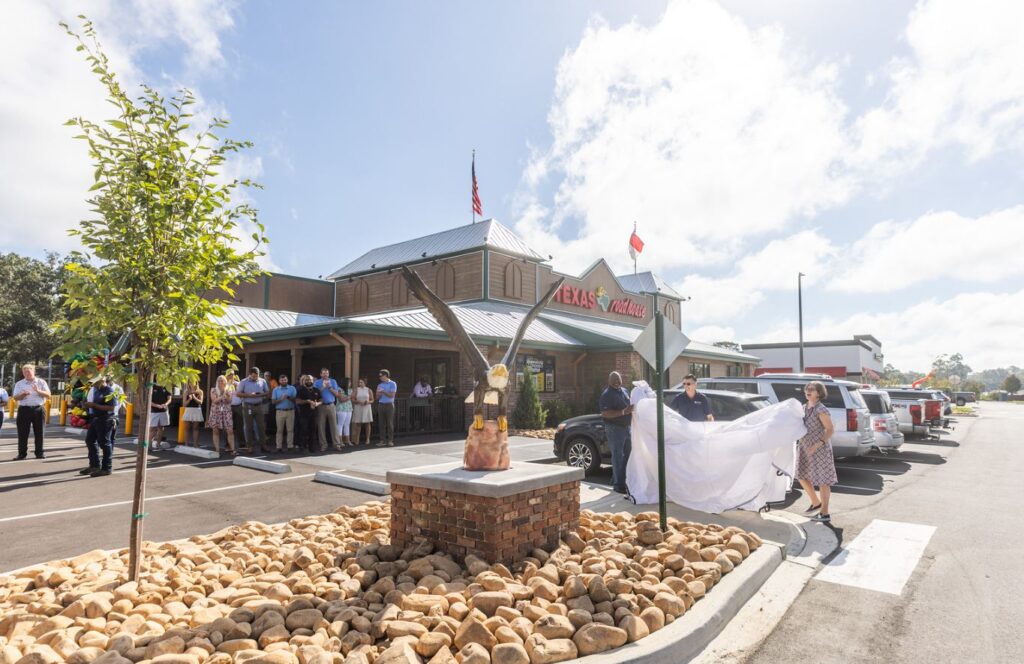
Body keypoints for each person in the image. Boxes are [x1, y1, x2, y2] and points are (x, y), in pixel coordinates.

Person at [797, 381, 837, 523]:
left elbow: (830, 430)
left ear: (819, 393)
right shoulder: (803, 407)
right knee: (801, 475)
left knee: (822, 480)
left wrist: (818, 444)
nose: (808, 390)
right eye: (807, 388)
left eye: (812, 389)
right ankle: (815, 502)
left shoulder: (821, 409)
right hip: (804, 448)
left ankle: (824, 513)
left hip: (820, 450)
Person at [599, 371, 632, 494]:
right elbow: (605, 413)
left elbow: (630, 406)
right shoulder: (607, 395)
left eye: (618, 379)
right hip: (614, 429)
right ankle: (619, 485)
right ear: (609, 381)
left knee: (629, 454)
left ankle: (620, 480)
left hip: (627, 428)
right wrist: (624, 412)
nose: (617, 382)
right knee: (618, 456)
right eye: (614, 380)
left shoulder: (624, 391)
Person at [12, 364, 51, 460]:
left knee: (39, 432)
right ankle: (22, 454)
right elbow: (15, 398)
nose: (27, 373)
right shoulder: (19, 384)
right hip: (24, 410)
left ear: (34, 371)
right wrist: (23, 394)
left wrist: (38, 391)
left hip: (38, 409)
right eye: (25, 372)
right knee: (22, 433)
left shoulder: (41, 382)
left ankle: (39, 453)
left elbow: (48, 395)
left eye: (29, 371)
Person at [82, 374, 116, 476]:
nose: (94, 385)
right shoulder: (96, 390)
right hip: (96, 418)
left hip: (106, 419)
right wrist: (87, 406)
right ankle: (94, 465)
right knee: (90, 440)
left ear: (102, 381)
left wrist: (93, 405)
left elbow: (111, 408)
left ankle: (106, 468)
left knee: (105, 443)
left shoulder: (109, 391)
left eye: (96, 383)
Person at [237, 367, 269, 453]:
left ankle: (263, 445)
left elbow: (267, 392)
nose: (256, 378)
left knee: (261, 426)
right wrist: (249, 395)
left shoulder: (262, 381)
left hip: (259, 406)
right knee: (248, 427)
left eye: (257, 376)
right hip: (248, 406)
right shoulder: (243, 382)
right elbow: (238, 393)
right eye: (254, 376)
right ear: (250, 374)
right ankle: (249, 446)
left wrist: (260, 394)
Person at [207, 374, 237, 456]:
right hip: (216, 412)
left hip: (226, 412)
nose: (221, 382)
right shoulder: (213, 390)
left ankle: (233, 449)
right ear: (217, 382)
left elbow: (229, 401)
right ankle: (217, 449)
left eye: (222, 380)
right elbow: (214, 401)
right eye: (219, 380)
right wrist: (222, 395)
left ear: (225, 382)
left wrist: (227, 396)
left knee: (230, 430)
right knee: (215, 430)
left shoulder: (229, 390)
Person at [314, 368, 342, 451]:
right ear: (320, 374)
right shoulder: (317, 382)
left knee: (334, 425)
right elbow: (315, 393)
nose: (325, 375)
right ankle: (323, 445)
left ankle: (336, 444)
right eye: (324, 373)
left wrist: (329, 387)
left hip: (331, 405)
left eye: (327, 373)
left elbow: (337, 394)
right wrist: (323, 387)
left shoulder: (333, 381)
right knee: (321, 426)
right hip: (321, 406)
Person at [295, 374, 321, 452]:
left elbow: (321, 400)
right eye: (307, 380)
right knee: (303, 430)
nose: (309, 381)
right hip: (304, 414)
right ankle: (302, 447)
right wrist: (307, 401)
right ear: (304, 381)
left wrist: (317, 404)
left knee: (313, 430)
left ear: (313, 380)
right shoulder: (300, 389)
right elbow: (297, 401)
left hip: (314, 413)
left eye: (310, 379)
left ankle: (312, 448)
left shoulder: (316, 390)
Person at [272, 374, 297, 452]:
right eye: (282, 380)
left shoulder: (292, 388)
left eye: (285, 380)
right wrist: (281, 399)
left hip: (290, 411)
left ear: (287, 380)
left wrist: (288, 397)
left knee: (290, 430)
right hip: (280, 411)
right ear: (279, 381)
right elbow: (273, 402)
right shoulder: (276, 389)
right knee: (279, 430)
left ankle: (290, 446)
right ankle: (278, 446)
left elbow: (296, 400)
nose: (283, 381)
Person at [376, 370, 398, 447]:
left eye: (381, 376)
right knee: (381, 423)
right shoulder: (379, 385)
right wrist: (378, 394)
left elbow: (392, 395)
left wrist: (383, 391)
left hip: (389, 405)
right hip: (381, 404)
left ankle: (390, 440)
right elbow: (377, 397)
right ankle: (382, 440)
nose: (380, 377)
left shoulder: (393, 383)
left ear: (386, 375)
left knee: (389, 423)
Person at [148, 383, 172, 450]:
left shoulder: (167, 386)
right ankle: (149, 445)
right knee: (152, 428)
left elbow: (169, 399)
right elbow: (149, 400)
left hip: (164, 411)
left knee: (161, 428)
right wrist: (156, 405)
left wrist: (165, 404)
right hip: (154, 411)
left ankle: (158, 444)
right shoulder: (151, 386)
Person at [351, 377, 374, 445]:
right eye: (359, 382)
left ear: (365, 383)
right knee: (358, 424)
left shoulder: (369, 390)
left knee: (367, 423)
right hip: (358, 407)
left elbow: (372, 399)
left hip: (366, 407)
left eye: (361, 382)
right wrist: (357, 401)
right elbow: (352, 399)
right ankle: (357, 439)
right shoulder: (356, 390)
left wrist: (368, 402)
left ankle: (367, 439)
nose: (359, 383)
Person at [181, 382, 205, 447]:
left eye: (193, 381)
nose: (192, 383)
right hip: (188, 410)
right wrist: (189, 399)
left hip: (196, 410)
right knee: (187, 428)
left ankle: (195, 444)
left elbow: (201, 402)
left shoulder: (200, 391)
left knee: (196, 428)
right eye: (190, 381)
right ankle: (186, 444)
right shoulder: (186, 392)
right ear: (188, 383)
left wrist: (194, 397)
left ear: (196, 382)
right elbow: (184, 404)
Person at [335, 377, 353, 447]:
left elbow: (350, 397)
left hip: (349, 408)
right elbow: (341, 400)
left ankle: (347, 440)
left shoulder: (350, 390)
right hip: (341, 409)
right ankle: (340, 441)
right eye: (349, 382)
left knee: (347, 424)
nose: (350, 384)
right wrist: (349, 397)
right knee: (340, 424)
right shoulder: (339, 389)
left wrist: (349, 397)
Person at [228, 371, 244, 437]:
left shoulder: (238, 384)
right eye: (229, 374)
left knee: (240, 425)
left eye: (232, 374)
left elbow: (242, 394)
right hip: (228, 406)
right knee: (228, 424)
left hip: (238, 406)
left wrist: (236, 387)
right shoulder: (225, 384)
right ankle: (227, 443)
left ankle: (241, 443)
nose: (231, 376)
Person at [263, 370, 277, 444]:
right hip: (261, 402)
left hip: (269, 401)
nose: (267, 377)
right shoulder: (261, 382)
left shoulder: (273, 381)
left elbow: (275, 390)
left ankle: (265, 434)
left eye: (268, 375)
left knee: (266, 419)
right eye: (266, 375)